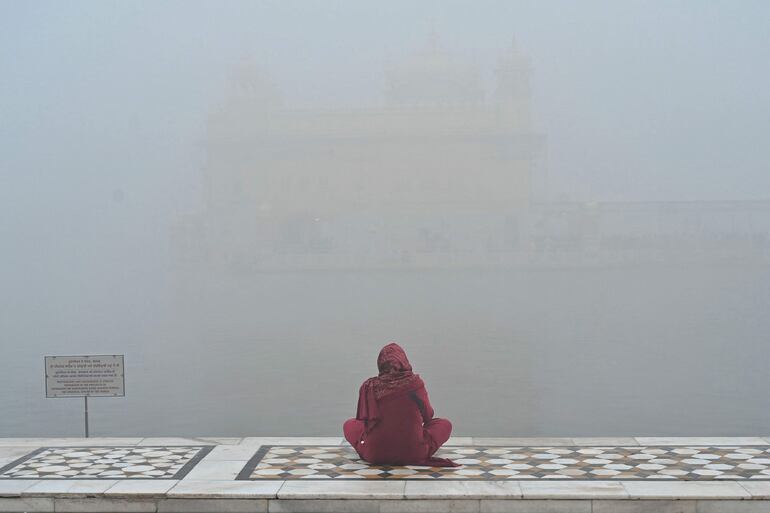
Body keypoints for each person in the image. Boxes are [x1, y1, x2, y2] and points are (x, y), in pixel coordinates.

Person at [343, 342, 458, 467]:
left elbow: (364, 421)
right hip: (414, 452)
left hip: (374, 454)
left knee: (349, 424)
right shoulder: (415, 385)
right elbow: (428, 416)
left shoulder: (369, 387)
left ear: (380, 364)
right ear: (404, 362)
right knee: (444, 424)